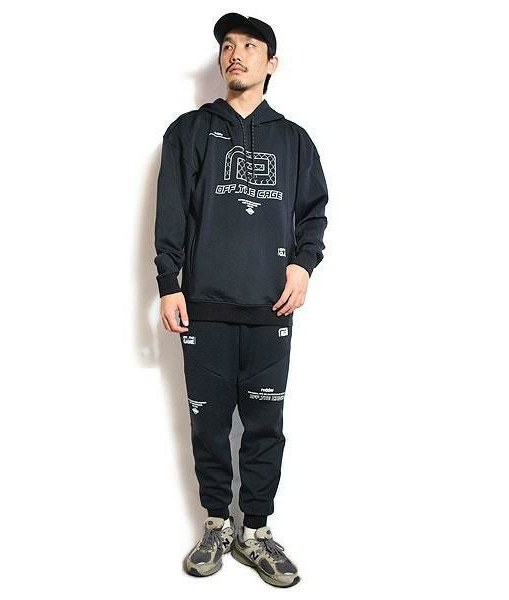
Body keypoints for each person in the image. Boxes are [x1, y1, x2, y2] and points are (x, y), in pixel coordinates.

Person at [153, 12, 328, 588]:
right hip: (203, 307)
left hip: (270, 310)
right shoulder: (189, 131)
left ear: (271, 63)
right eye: (228, 45)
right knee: (208, 426)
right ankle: (216, 525)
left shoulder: (294, 141)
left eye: (251, 46)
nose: (236, 53)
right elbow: (171, 212)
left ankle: (255, 531)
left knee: (264, 426)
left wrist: (303, 265)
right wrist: (169, 283)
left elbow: (314, 214)